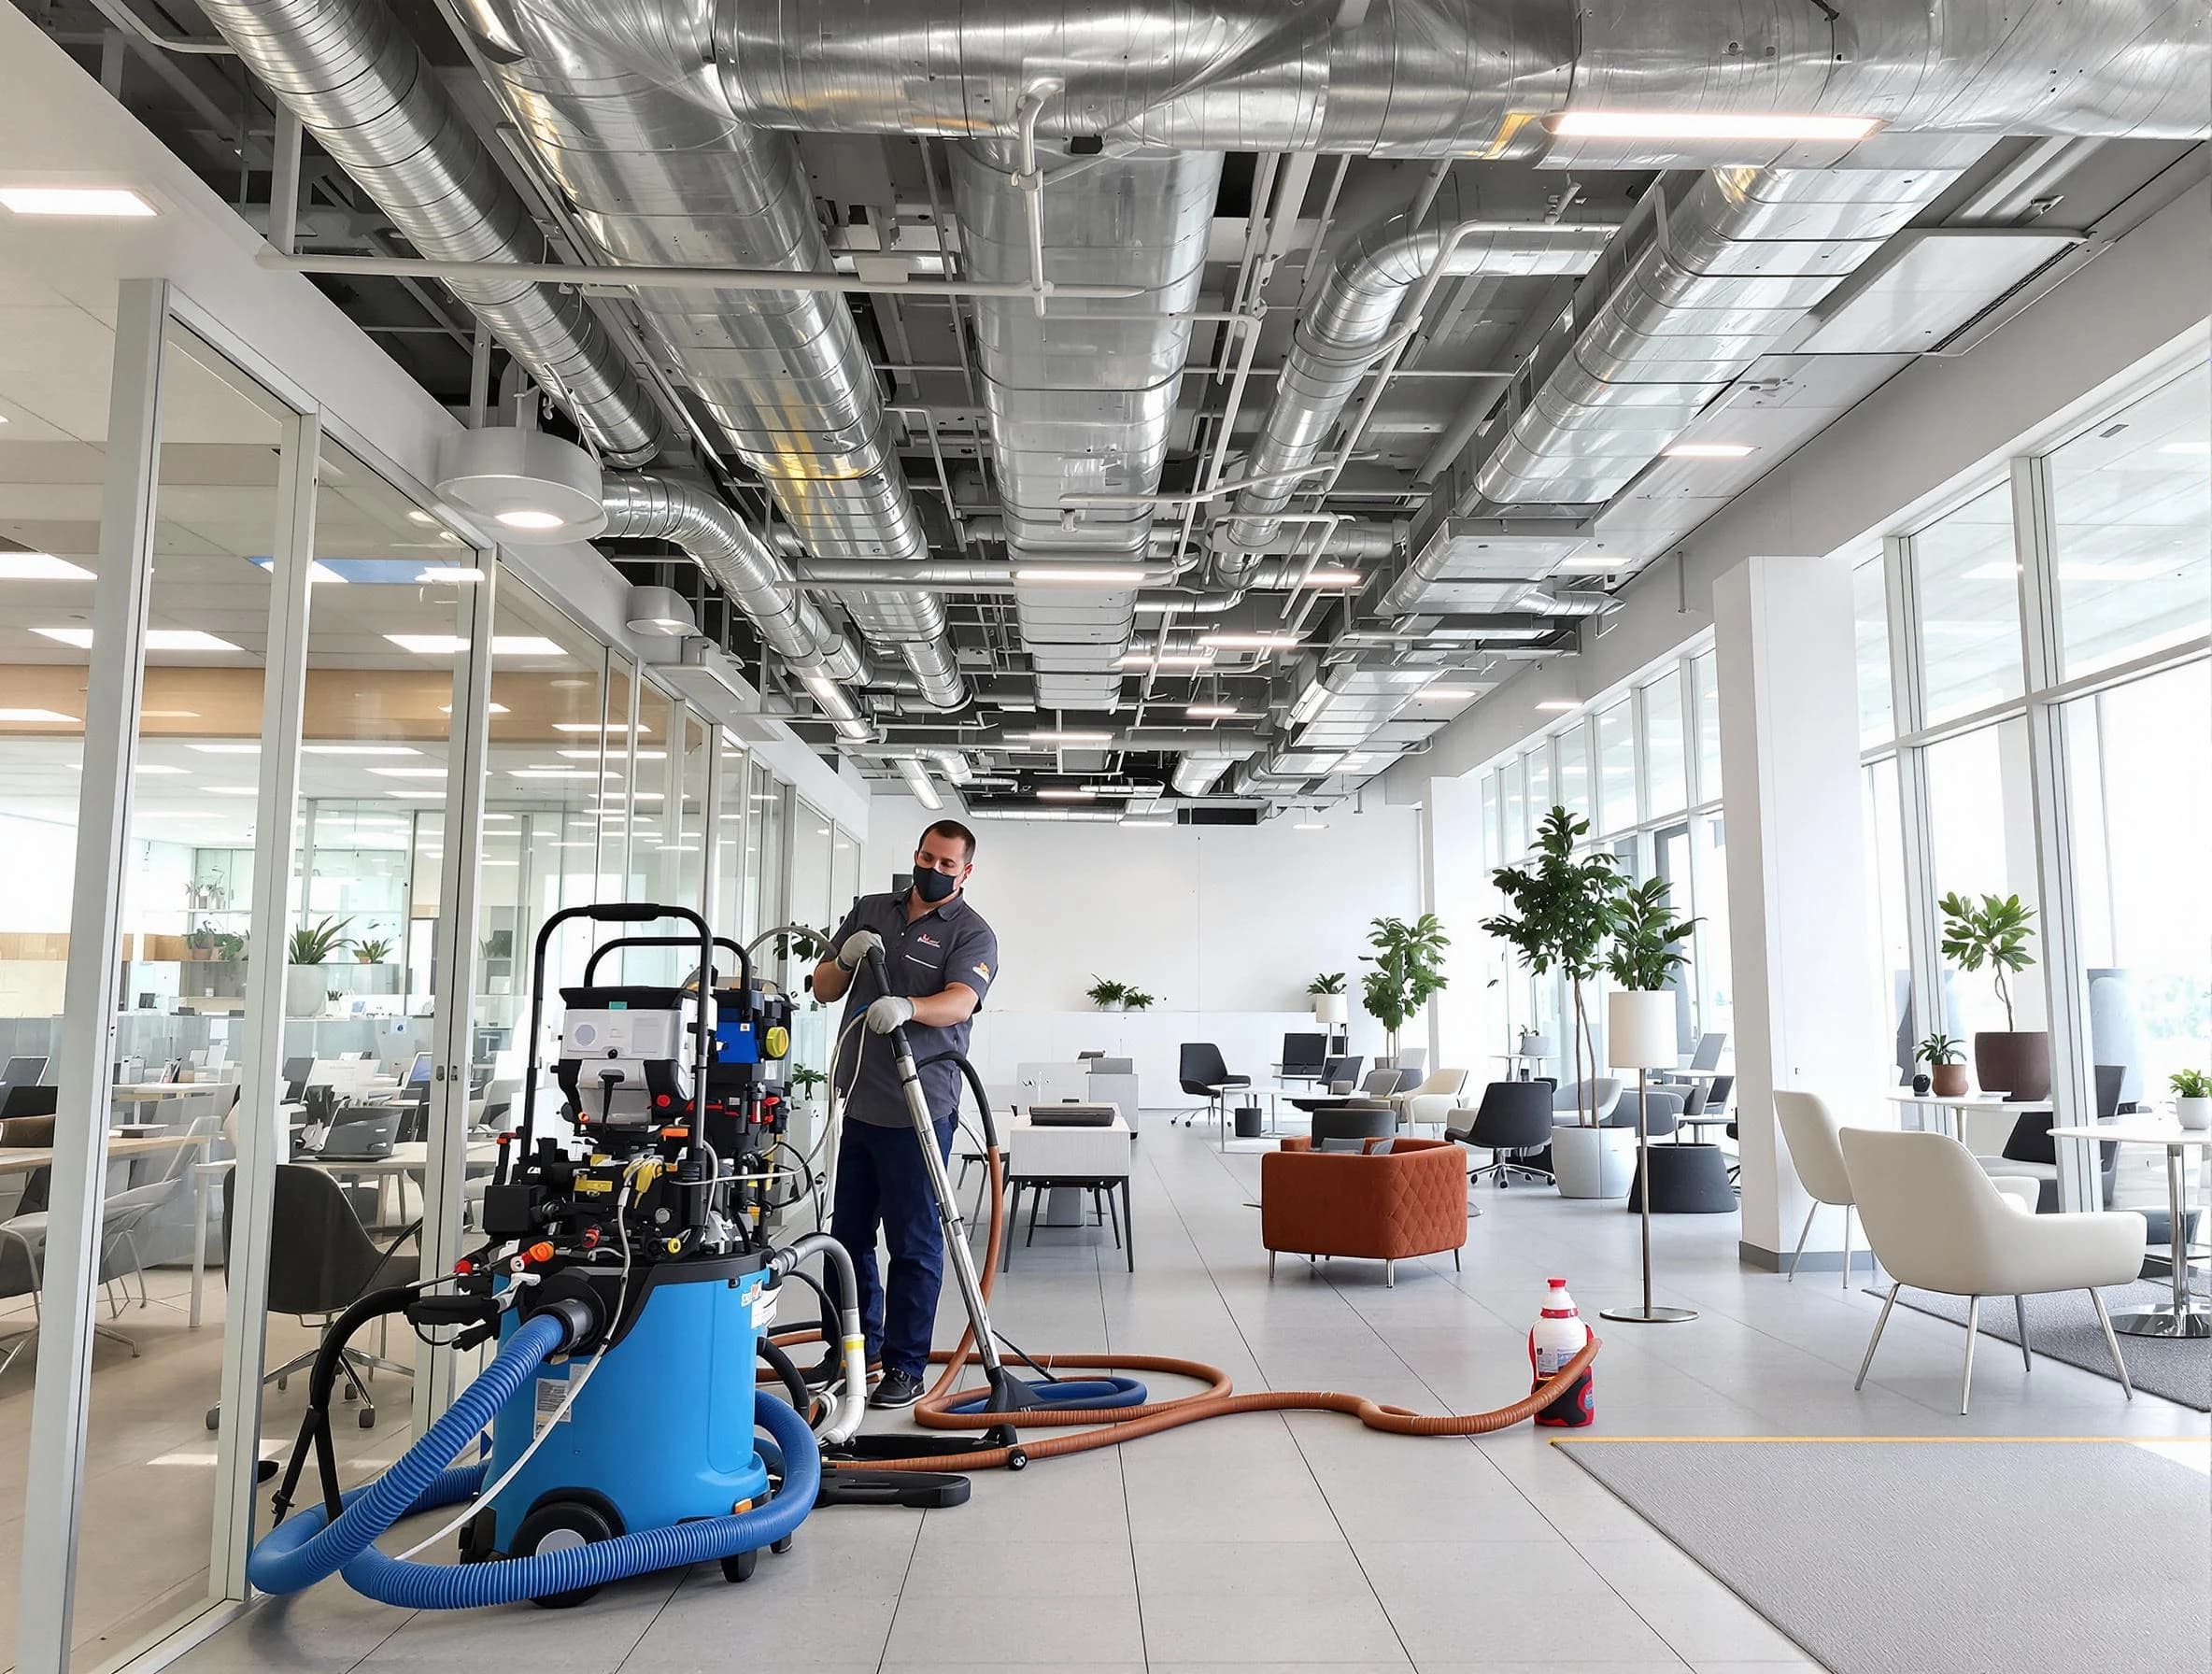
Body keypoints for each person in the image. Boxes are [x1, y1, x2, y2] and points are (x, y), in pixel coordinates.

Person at [812, 819, 998, 1409]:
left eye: (948, 865)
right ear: (915, 854)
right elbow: (822, 988)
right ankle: (851, 1348)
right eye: (928, 858)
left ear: (966, 872)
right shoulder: (871, 909)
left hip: (920, 1108)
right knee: (847, 1235)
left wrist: (910, 1005)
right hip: (859, 1101)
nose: (935, 870)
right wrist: (845, 956)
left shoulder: (972, 933)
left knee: (914, 1243)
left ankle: (906, 1365)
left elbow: (961, 1001)